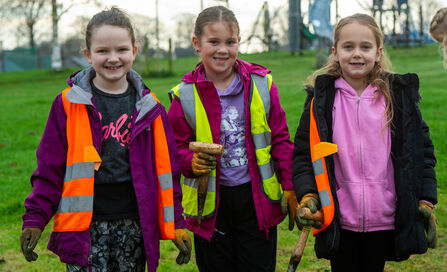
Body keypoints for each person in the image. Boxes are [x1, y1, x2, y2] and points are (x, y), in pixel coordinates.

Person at [20, 7, 191, 272]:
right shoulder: (68, 104)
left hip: (134, 223)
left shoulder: (151, 107)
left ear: (134, 51)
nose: (113, 58)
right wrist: (35, 218)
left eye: (122, 50)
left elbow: (169, 172)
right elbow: (49, 169)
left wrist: (177, 222)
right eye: (102, 51)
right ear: (88, 55)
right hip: (84, 227)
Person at [292, 13, 437, 272]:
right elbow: (304, 154)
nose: (357, 54)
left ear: (378, 52)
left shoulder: (398, 98)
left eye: (365, 47)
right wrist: (308, 194)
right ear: (335, 52)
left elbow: (422, 151)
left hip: (384, 217)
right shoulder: (321, 102)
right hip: (340, 217)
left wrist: (426, 199)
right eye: (348, 47)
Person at [167, 5, 297, 272]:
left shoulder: (262, 85)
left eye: (230, 42)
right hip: (211, 206)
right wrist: (190, 161)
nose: (222, 50)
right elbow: (173, 150)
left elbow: (281, 139)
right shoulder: (184, 95)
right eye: (213, 42)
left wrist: (292, 186)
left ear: (239, 41)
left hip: (257, 200)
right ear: (196, 43)